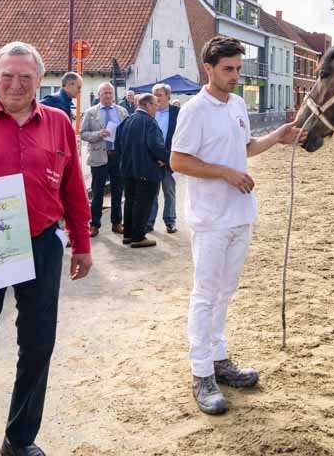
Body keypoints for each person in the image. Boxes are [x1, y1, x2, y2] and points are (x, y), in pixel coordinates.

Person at [0, 42, 93, 456]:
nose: (16, 84)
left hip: (42, 243)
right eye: (7, 75)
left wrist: (81, 243)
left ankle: (20, 440)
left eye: (26, 77)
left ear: (40, 81)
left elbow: (72, 186)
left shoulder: (59, 122)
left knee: (39, 345)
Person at [169, 36, 305, 416]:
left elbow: (245, 147)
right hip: (210, 218)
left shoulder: (239, 103)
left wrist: (278, 137)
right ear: (208, 69)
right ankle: (201, 373)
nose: (234, 75)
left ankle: (219, 358)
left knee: (225, 293)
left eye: (238, 69)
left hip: (240, 214)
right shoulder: (194, 110)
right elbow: (179, 161)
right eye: (228, 69)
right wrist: (225, 173)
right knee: (205, 294)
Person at [116, 92, 167, 248]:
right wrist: (165, 159)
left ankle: (128, 234)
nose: (157, 108)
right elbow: (156, 145)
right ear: (148, 105)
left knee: (130, 202)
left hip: (128, 169)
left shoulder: (126, 121)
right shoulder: (149, 122)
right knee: (143, 204)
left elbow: (117, 145)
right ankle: (138, 237)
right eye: (155, 105)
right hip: (146, 170)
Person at [78, 82, 128, 237]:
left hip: (117, 156)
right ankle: (94, 224)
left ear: (113, 95)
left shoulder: (122, 111)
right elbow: (84, 134)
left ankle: (117, 223)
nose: (108, 96)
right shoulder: (91, 112)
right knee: (98, 192)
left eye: (110, 93)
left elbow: (128, 131)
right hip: (99, 156)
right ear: (99, 95)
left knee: (118, 192)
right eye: (105, 93)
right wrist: (99, 134)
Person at [147, 83, 180, 234]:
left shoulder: (177, 113)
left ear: (168, 96)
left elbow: (179, 138)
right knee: (152, 194)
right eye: (154, 95)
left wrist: (165, 158)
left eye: (159, 95)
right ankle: (149, 222)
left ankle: (170, 221)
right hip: (151, 161)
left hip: (169, 160)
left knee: (169, 192)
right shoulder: (148, 112)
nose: (157, 98)